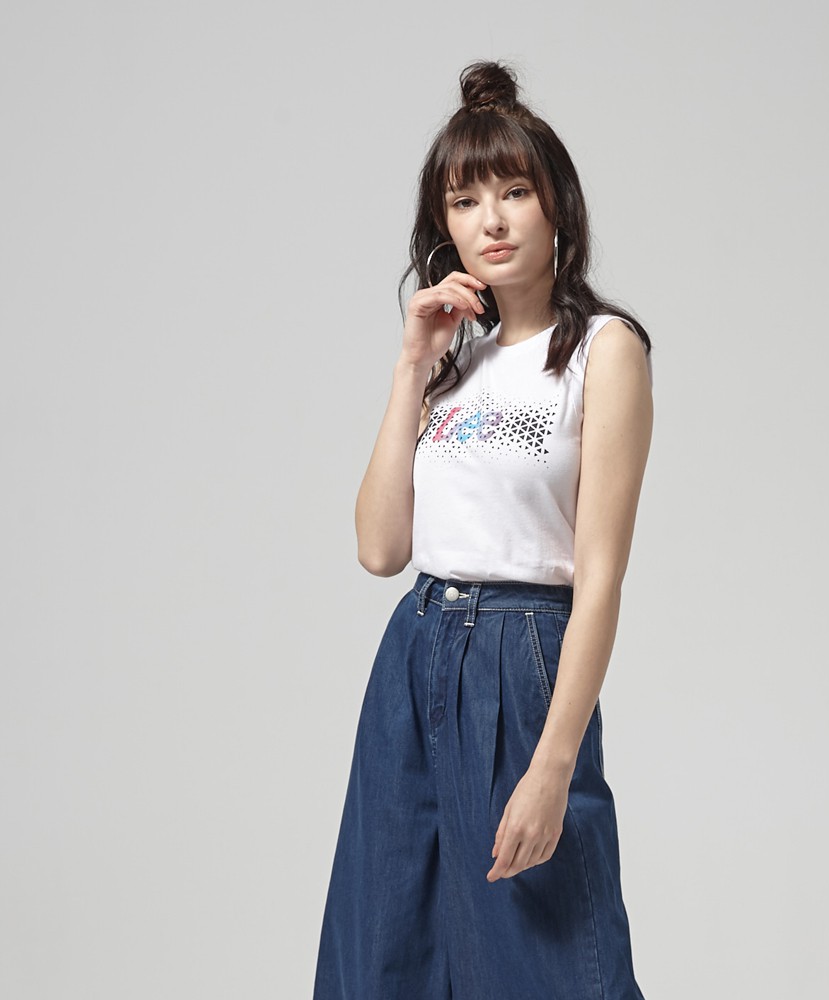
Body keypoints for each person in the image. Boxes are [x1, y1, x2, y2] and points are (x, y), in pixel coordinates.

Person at [313, 60, 653, 1000]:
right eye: (465, 202)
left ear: (557, 208)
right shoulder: (452, 368)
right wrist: (410, 367)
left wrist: (553, 766)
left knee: (549, 957)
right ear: (445, 227)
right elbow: (381, 549)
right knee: (391, 950)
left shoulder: (603, 351)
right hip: (414, 657)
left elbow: (600, 577)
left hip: (523, 659)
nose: (492, 221)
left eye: (514, 192)